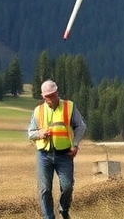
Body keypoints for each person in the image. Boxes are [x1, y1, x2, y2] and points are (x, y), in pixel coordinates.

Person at [27, 80, 87, 219]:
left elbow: (81, 126)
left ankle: (63, 210)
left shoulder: (69, 107)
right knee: (45, 189)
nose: (50, 98)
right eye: (47, 96)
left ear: (57, 93)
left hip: (65, 154)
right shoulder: (38, 110)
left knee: (67, 187)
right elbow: (30, 133)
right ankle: (49, 217)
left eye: (52, 95)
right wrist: (39, 134)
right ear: (43, 96)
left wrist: (75, 144)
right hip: (44, 154)